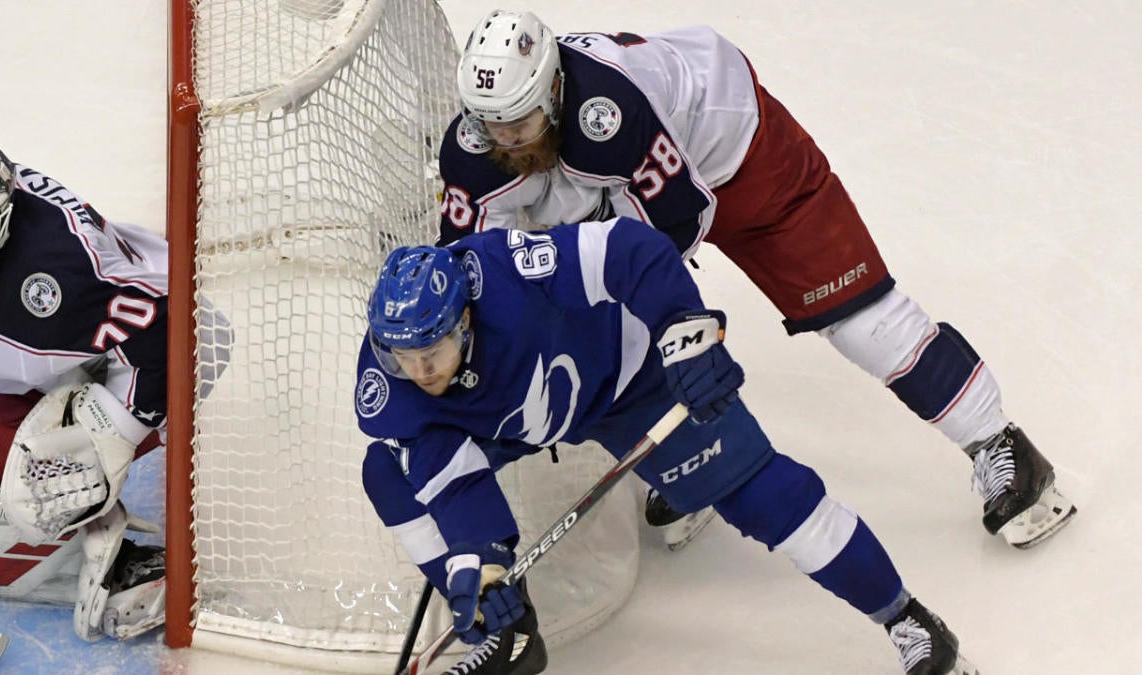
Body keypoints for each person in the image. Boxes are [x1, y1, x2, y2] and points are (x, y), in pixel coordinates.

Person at [436, 10, 1075, 550]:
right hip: (626, 188)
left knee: (859, 321)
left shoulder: (609, 112)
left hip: (743, 151)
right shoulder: (479, 143)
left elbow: (678, 224)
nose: (504, 141)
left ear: (551, 93)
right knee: (591, 321)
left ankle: (999, 441)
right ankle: (693, 464)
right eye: (491, 124)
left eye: (518, 123)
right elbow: (469, 269)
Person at [356, 217, 979, 674]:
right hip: (519, 419)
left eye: (429, 353)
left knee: (765, 497)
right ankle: (504, 621)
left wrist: (685, 332)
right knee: (389, 469)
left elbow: (629, 250)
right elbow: (449, 472)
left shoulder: (510, 274)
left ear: (464, 320)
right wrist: (479, 557)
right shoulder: (391, 379)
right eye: (401, 357)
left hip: (632, 382)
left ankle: (908, 622)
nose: (417, 371)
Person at [0, 132, 229, 641]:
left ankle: (107, 538)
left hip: (143, 361)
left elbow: (190, 333)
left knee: (30, 475)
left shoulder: (55, 274)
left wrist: (111, 430)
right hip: (53, 349)